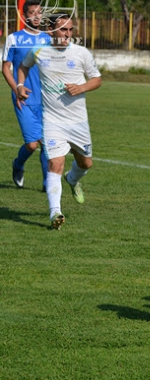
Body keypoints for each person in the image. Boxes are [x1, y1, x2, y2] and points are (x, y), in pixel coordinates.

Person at [17, 14, 102, 230]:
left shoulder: (80, 53)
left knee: (86, 163)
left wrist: (81, 88)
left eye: (70, 30)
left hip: (78, 122)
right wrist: (19, 86)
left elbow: (97, 79)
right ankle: (55, 212)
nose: (68, 34)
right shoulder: (39, 51)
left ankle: (72, 180)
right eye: (63, 29)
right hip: (53, 121)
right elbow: (23, 67)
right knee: (55, 162)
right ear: (51, 31)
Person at [2, 0, 50, 191]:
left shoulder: (48, 38)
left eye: (40, 12)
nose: (37, 16)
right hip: (24, 98)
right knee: (31, 144)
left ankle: (48, 182)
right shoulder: (14, 38)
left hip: (47, 99)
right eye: (32, 12)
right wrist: (16, 89)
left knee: (48, 143)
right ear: (24, 16)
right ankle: (18, 165)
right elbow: (6, 68)